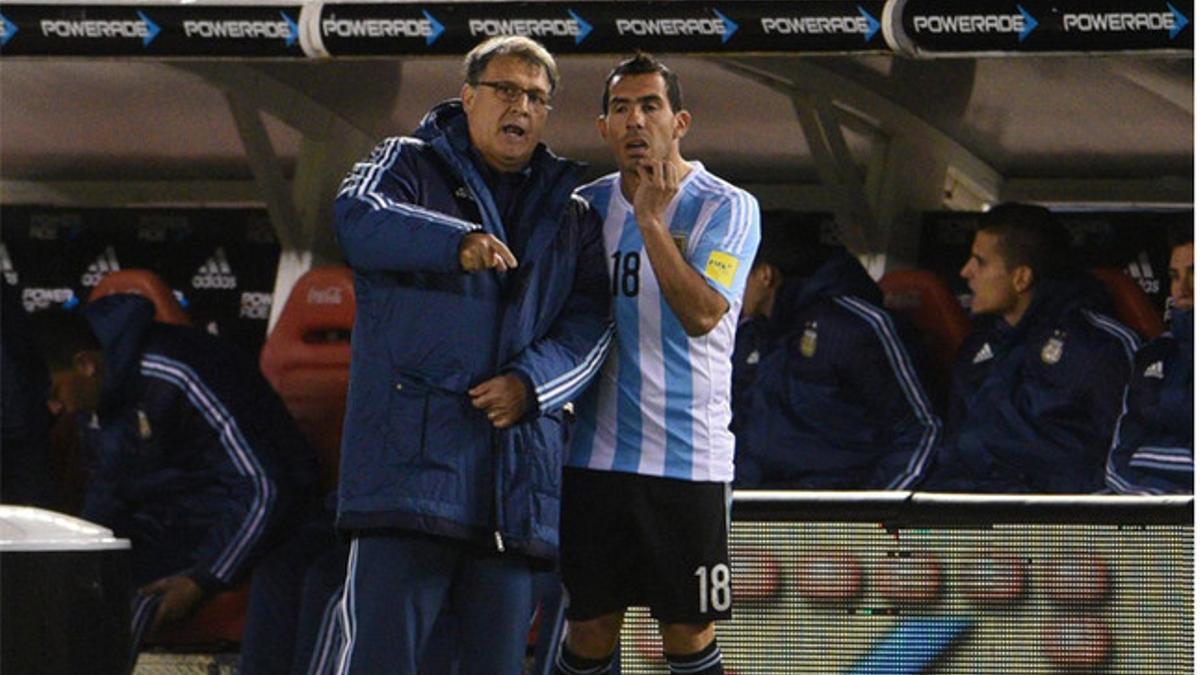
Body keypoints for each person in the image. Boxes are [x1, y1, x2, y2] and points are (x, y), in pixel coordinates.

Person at [330, 36, 612, 675]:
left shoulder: (572, 214)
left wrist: (532, 387)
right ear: (467, 97)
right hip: (408, 483)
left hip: (513, 497)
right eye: (507, 90)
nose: (522, 107)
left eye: (538, 98)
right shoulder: (405, 161)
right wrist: (456, 242)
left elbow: (592, 326)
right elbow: (355, 216)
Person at [557, 53, 760, 675]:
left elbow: (703, 313)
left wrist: (649, 219)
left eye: (650, 106)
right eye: (620, 108)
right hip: (593, 459)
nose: (635, 120)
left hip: (687, 461)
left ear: (680, 122)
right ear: (603, 128)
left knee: (686, 631)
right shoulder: (580, 211)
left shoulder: (725, 207)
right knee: (588, 627)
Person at [41, 293, 319, 664]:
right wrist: (80, 558)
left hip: (261, 520)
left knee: (132, 600)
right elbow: (108, 490)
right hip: (178, 517)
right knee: (70, 585)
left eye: (55, 391)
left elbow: (265, 487)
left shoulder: (176, 371)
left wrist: (204, 577)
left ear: (85, 364)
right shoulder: (100, 392)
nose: (56, 407)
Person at [923, 203, 1140, 493]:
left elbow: (1122, 461)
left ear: (1021, 278)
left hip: (1050, 525)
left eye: (980, 262)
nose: (965, 272)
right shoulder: (977, 348)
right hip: (963, 515)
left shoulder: (1099, 346)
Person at [732, 244, 940, 490]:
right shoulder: (750, 334)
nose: (727, 285)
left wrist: (870, 516)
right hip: (752, 505)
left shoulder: (854, 326)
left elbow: (921, 428)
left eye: (735, 270)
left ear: (765, 275)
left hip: (831, 513)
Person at [1106, 226, 1193, 494]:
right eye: (1175, 277)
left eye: (1195, 273)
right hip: (1147, 514)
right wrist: (1152, 505)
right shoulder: (1154, 355)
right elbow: (1117, 461)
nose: (1183, 290)